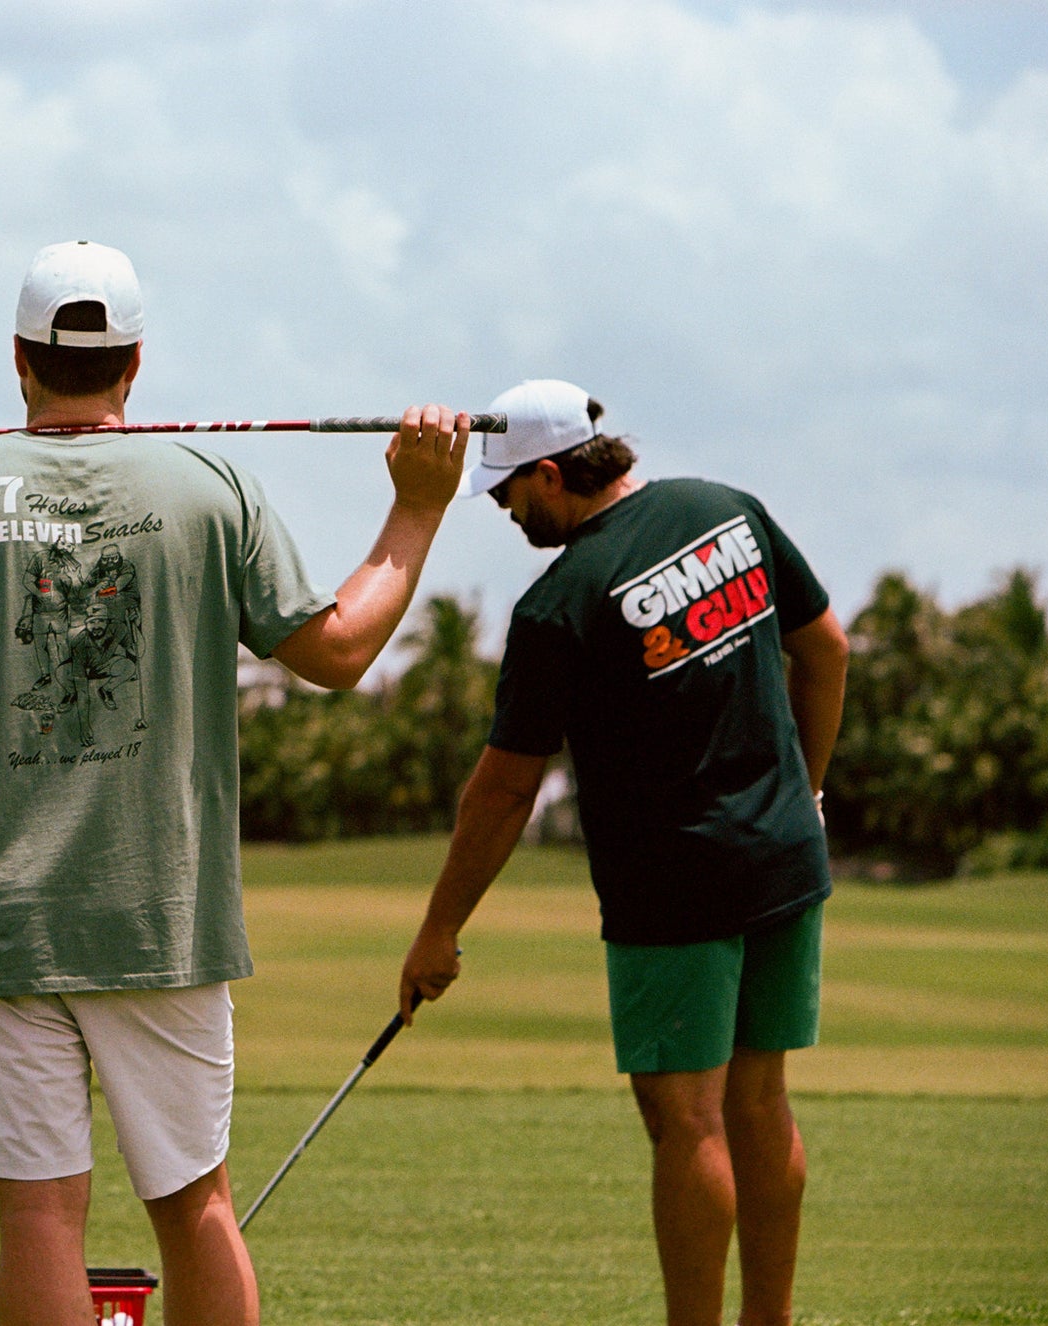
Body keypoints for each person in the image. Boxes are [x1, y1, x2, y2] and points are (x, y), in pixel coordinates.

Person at [0, 239, 470, 1326]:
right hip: (161, 914)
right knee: (193, 1205)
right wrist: (418, 505)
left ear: (19, 358)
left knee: (36, 1219)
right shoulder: (211, 486)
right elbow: (337, 653)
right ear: (133, 362)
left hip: (1, 919)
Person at [396, 380, 850, 1326]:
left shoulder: (560, 602)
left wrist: (439, 930)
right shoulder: (728, 508)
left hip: (673, 887)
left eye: (511, 494)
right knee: (759, 1104)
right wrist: (803, 794)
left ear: (553, 474)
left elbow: (506, 788)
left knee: (688, 1119)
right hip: (784, 860)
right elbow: (830, 650)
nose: (511, 513)